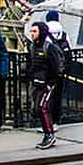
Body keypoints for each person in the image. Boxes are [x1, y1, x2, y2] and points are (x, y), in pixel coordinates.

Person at [26, 21, 65, 149]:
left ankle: (50, 134)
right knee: (38, 108)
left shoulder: (49, 47)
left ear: (41, 32)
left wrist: (50, 82)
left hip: (47, 83)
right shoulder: (33, 47)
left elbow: (56, 66)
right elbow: (31, 64)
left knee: (42, 107)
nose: (32, 34)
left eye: (34, 31)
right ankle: (47, 133)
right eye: (31, 31)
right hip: (37, 82)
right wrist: (31, 77)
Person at [46, 10, 73, 128]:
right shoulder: (64, 34)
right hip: (60, 70)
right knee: (57, 96)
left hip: (48, 70)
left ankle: (48, 122)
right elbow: (70, 50)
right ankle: (56, 121)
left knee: (46, 97)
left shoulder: (45, 33)